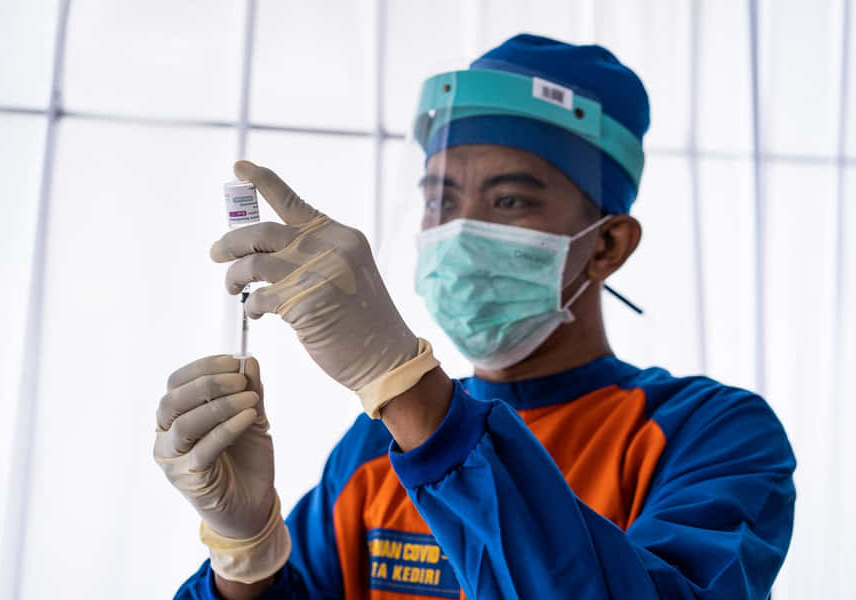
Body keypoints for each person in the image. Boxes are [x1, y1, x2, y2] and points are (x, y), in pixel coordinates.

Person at [154, 34, 796, 599]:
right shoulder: (377, 446)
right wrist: (247, 559)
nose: (460, 231)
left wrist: (402, 383)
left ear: (607, 244)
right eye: (441, 199)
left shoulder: (711, 436)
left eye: (510, 199)